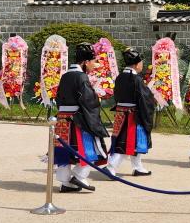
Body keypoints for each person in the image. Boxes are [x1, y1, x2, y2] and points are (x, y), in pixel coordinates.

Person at [53, 43, 109, 192]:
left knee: (63, 151)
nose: (93, 65)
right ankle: (79, 175)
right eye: (92, 62)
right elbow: (88, 101)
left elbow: (58, 98)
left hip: (62, 118)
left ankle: (65, 182)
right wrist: (97, 100)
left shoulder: (65, 76)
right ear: (85, 62)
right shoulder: (82, 77)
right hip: (78, 119)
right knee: (91, 149)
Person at [107, 49, 154, 178]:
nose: (142, 65)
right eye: (141, 62)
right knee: (128, 142)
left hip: (121, 113)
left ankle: (138, 167)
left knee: (135, 141)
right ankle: (111, 167)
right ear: (136, 64)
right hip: (133, 116)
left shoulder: (120, 77)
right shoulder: (136, 79)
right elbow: (144, 99)